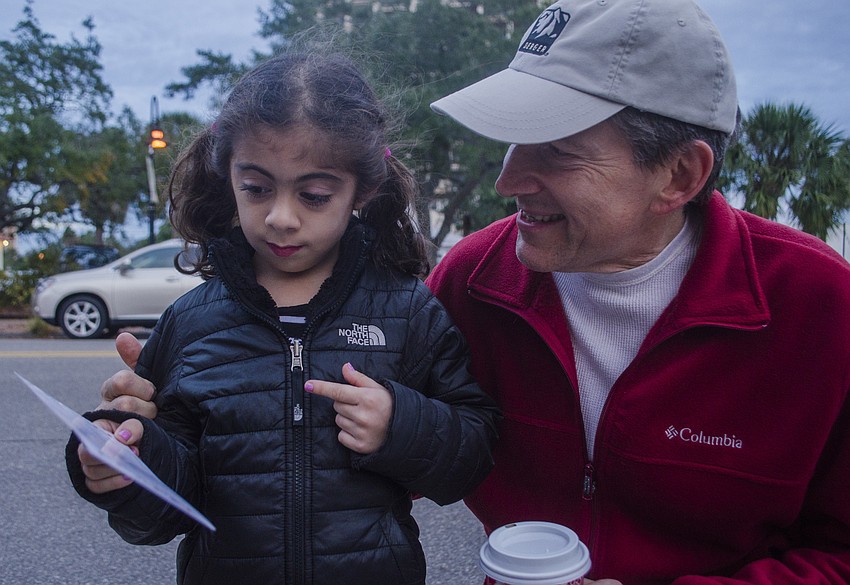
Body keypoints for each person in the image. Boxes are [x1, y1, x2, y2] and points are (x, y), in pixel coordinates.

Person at [95, 1, 850, 583]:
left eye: (558, 151)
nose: (506, 179)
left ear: (679, 176)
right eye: (513, 140)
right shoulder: (472, 281)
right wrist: (164, 430)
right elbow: (359, 472)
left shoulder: (821, 309)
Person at [65, 51, 498, 585]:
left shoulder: (408, 311)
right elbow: (162, 516)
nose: (280, 217)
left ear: (361, 192)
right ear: (228, 176)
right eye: (256, 188)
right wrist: (128, 463)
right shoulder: (190, 322)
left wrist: (400, 424)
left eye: (314, 196)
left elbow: (473, 455)